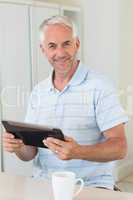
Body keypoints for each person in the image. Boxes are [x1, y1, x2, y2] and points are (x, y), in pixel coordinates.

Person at [3, 15, 128, 190]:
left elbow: (120, 147)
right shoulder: (39, 91)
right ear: (43, 50)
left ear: (76, 44)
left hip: (90, 186)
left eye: (66, 44)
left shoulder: (100, 86)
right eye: (52, 46)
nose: (60, 53)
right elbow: (29, 153)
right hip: (44, 184)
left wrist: (78, 152)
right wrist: (17, 147)